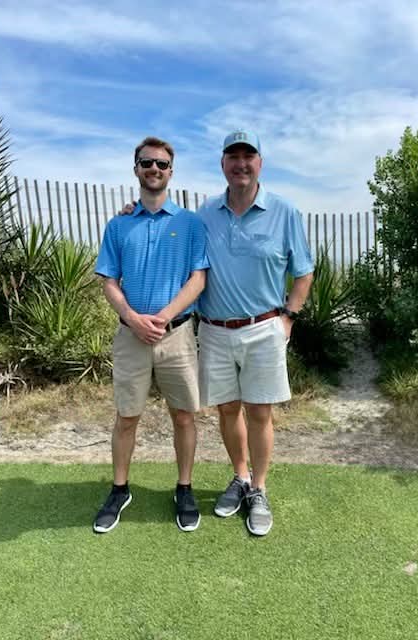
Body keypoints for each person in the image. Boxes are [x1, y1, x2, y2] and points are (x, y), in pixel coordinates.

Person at [197, 130, 314, 536]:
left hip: (264, 328)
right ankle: (240, 477)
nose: (241, 163)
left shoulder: (284, 211)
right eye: (233, 156)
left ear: (260, 163)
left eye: (249, 156)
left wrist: (288, 318)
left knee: (260, 412)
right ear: (222, 164)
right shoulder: (205, 213)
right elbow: (171, 237)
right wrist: (131, 211)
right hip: (214, 330)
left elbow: (303, 272)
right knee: (227, 410)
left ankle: (259, 489)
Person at [93, 136, 209, 534]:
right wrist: (132, 317)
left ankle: (184, 488)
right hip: (131, 337)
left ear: (171, 171)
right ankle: (119, 489)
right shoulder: (119, 224)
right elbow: (109, 281)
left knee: (184, 416)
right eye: (147, 163)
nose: (154, 169)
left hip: (177, 335)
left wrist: (161, 317)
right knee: (127, 417)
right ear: (136, 169)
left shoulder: (190, 223)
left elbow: (198, 278)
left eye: (161, 164)